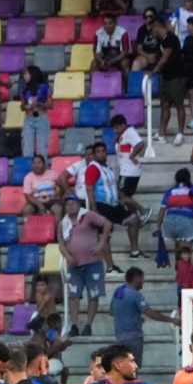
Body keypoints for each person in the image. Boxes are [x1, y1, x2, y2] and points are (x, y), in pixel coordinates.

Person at [58, 195, 112, 336]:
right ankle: (74, 325)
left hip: (93, 263)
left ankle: (88, 325)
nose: (70, 206)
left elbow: (107, 223)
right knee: (73, 295)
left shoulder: (88, 216)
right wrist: (68, 256)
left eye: (73, 203)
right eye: (68, 204)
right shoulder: (63, 223)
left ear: (78, 204)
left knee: (93, 295)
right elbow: (61, 243)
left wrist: (101, 243)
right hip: (74, 265)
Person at [84, 142, 143, 261]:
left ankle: (135, 251)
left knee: (134, 219)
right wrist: (94, 210)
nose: (101, 154)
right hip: (102, 206)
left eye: (103, 151)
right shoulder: (92, 168)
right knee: (105, 236)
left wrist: (120, 198)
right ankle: (110, 267)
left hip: (114, 205)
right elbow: (89, 189)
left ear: (106, 152)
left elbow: (113, 186)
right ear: (95, 155)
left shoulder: (107, 167)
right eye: (98, 152)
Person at [110, 267, 177, 368]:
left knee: (122, 368)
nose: (143, 282)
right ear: (136, 278)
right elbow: (150, 313)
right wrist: (172, 320)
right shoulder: (136, 295)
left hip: (119, 337)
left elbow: (111, 311)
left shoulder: (118, 292)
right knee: (133, 368)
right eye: (142, 279)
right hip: (133, 338)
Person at [156, 167, 193, 252]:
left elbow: (161, 211)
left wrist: (158, 227)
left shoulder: (170, 192)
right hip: (186, 222)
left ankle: (177, 265)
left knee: (178, 248)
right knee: (185, 252)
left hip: (170, 223)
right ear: (188, 178)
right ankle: (183, 265)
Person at [149, 17, 187, 146]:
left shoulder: (170, 39)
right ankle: (161, 134)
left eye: (152, 29)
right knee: (164, 105)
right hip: (166, 78)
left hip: (176, 77)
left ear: (157, 27)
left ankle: (181, 133)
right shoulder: (162, 41)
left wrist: (154, 71)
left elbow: (165, 58)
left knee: (179, 105)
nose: (151, 33)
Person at [110, 114, 149, 220]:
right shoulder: (123, 134)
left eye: (116, 128)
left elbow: (140, 144)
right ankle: (136, 216)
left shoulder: (130, 132)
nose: (115, 131)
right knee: (126, 197)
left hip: (129, 171)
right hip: (127, 170)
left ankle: (143, 210)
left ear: (123, 125)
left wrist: (132, 156)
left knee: (121, 195)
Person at [20, 66, 53, 158]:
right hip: (29, 119)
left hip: (41, 119)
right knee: (27, 149)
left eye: (26, 74)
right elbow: (22, 106)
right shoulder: (24, 89)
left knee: (42, 149)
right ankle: (28, 170)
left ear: (32, 74)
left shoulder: (45, 88)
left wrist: (38, 103)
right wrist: (26, 107)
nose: (24, 76)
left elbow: (50, 105)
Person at [91, 13, 130, 86]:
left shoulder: (123, 33)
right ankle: (93, 89)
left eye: (110, 23)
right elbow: (96, 52)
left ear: (115, 23)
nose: (107, 26)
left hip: (119, 59)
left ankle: (127, 89)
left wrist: (111, 62)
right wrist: (101, 61)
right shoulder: (98, 33)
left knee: (125, 63)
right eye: (105, 24)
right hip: (105, 59)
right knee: (94, 64)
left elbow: (125, 52)